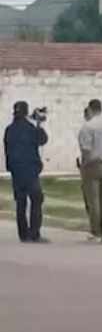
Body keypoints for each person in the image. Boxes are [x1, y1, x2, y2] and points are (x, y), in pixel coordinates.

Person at [3, 101, 49, 243]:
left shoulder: (9, 129)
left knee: (21, 202)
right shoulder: (30, 128)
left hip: (16, 170)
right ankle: (34, 233)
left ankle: (23, 234)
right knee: (36, 198)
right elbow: (43, 140)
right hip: (30, 169)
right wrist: (39, 123)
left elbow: (7, 150)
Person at [78, 99, 102, 243]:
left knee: (93, 200)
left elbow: (86, 150)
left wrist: (84, 166)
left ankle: (96, 232)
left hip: (92, 164)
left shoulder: (87, 127)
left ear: (89, 109)